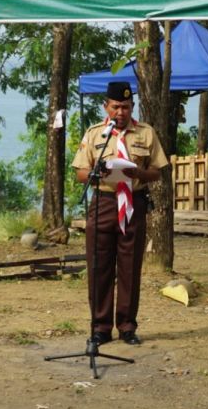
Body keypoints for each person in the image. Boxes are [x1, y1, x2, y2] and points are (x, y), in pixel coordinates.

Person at [71, 81, 169, 345]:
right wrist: (95, 174)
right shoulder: (95, 134)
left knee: (129, 267)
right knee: (99, 266)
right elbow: (80, 171)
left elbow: (157, 171)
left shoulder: (146, 133)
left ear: (132, 107)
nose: (120, 113)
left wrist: (138, 173)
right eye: (115, 107)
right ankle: (100, 327)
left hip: (134, 203)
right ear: (106, 107)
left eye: (125, 107)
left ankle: (127, 326)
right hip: (104, 202)